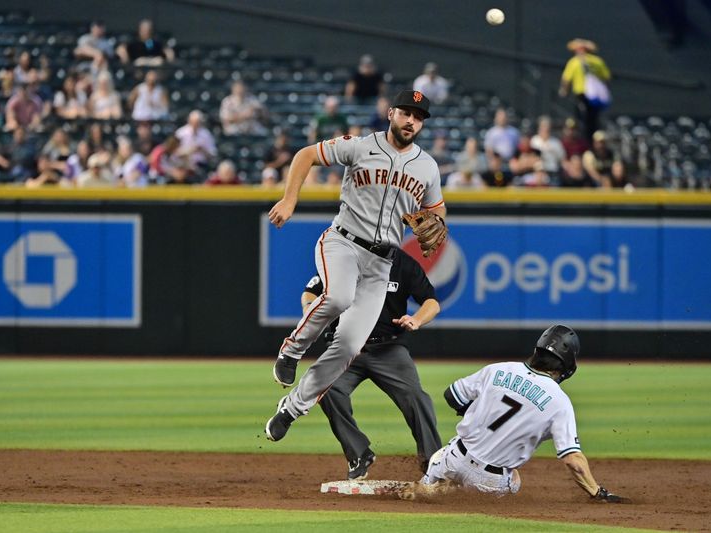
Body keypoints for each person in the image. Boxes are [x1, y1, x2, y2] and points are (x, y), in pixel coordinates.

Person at [265, 89, 446, 443]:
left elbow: (437, 211)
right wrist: (289, 199)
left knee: (347, 346)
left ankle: (291, 408)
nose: (412, 121)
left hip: (381, 263)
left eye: (419, 116)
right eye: (407, 113)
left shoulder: (427, 167)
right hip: (342, 243)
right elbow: (305, 155)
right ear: (391, 113)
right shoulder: (360, 145)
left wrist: (436, 222)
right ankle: (291, 350)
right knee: (336, 297)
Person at [410, 325, 630, 505]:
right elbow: (573, 460)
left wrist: (480, 413)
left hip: (453, 459)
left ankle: (430, 486)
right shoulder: (559, 401)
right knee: (514, 477)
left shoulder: (498, 369)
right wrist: (596, 492)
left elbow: (452, 395)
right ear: (568, 365)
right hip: (489, 482)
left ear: (538, 349)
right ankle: (453, 492)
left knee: (443, 458)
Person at [302, 247, 443, 479]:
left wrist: (417, 319)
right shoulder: (345, 256)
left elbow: (431, 302)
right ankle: (359, 454)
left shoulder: (403, 263)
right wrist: (310, 311)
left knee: (416, 398)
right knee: (325, 388)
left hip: (389, 348)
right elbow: (310, 291)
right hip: (347, 348)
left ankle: (434, 463)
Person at [559, 38, 611, 142]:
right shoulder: (597, 61)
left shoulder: (574, 62)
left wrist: (564, 90)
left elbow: (566, 79)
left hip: (582, 94)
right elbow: (606, 77)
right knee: (593, 118)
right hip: (595, 97)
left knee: (581, 118)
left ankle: (585, 139)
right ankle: (592, 137)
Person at [530, 116, 565, 182]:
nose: (545, 129)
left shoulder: (556, 142)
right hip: (537, 173)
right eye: (543, 126)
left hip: (553, 173)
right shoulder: (534, 141)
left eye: (547, 127)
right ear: (539, 128)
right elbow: (531, 157)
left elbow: (562, 159)